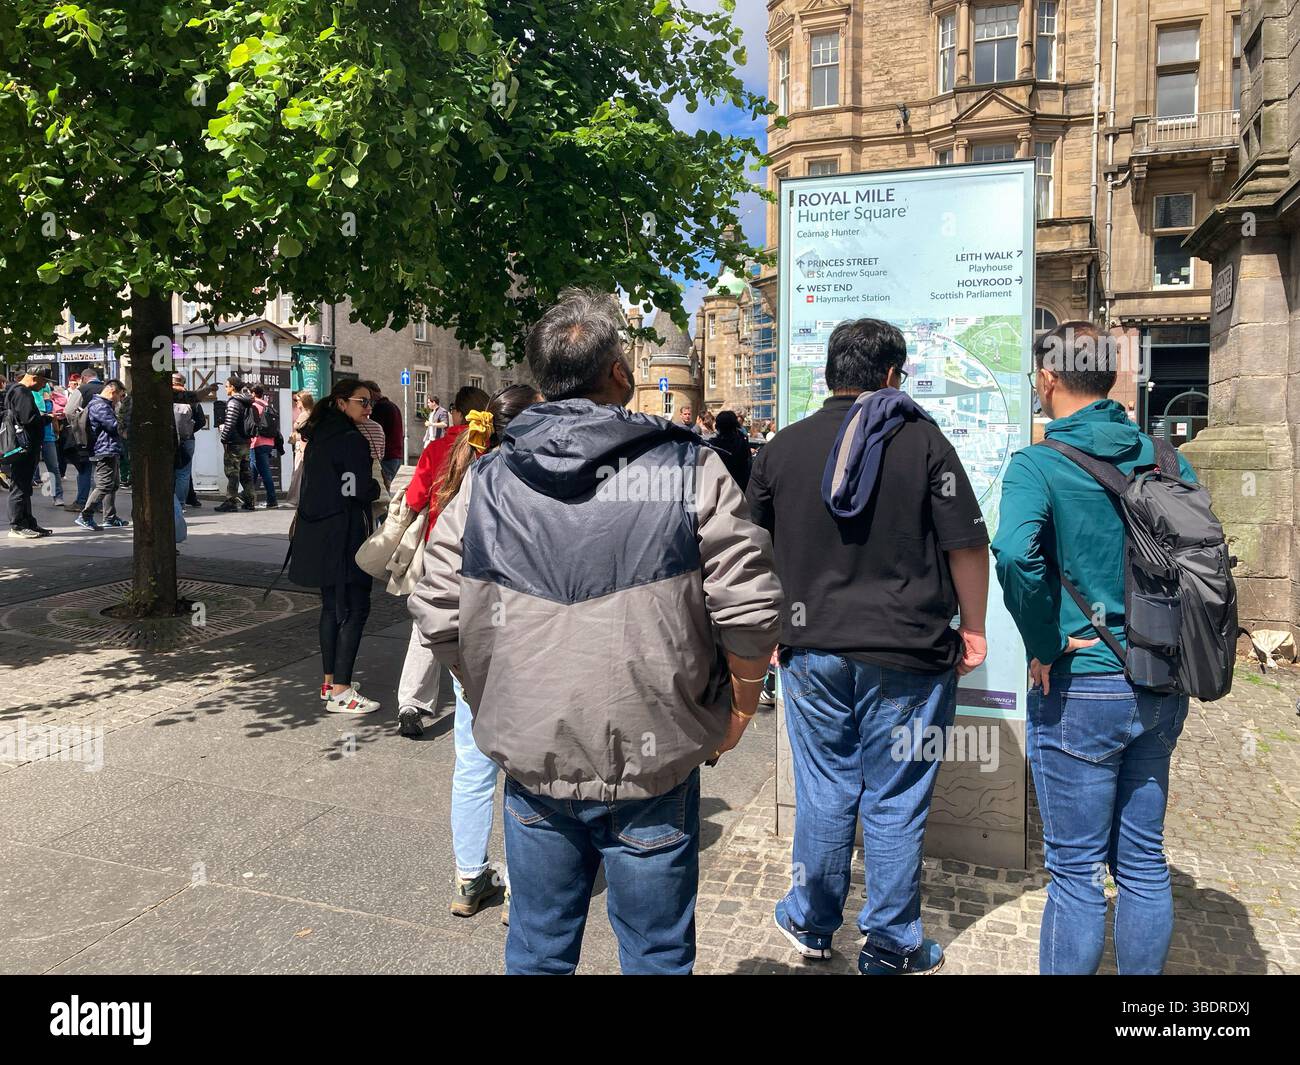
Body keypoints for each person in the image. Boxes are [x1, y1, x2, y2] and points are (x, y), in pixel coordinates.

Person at [410, 288, 782, 975]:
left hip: (536, 756)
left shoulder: (487, 478)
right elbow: (752, 606)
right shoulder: (689, 465)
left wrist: (484, 690)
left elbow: (434, 606)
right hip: (654, 759)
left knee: (539, 951)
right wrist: (740, 703)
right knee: (657, 954)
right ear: (619, 372)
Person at [747, 318, 990, 975]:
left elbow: (750, 550)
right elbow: (966, 544)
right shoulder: (925, 443)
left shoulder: (782, 449)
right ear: (889, 375)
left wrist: (768, 626)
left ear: (831, 372)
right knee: (897, 797)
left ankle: (812, 923)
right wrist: (974, 627)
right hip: (908, 653)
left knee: (825, 789)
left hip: (812, 649)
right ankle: (890, 942)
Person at [991, 322, 1196, 975]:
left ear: (1049, 378)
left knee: (1075, 871)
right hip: (1162, 678)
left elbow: (1014, 553)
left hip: (1084, 681)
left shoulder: (1039, 464)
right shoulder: (1167, 457)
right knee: (1141, 859)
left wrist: (1044, 640)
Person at [403, 385, 541, 919]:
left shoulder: (465, 472)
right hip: (527, 650)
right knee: (530, 770)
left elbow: (433, 591)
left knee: (472, 764)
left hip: (476, 648)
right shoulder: (536, 485)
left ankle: (469, 877)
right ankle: (527, 889)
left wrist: (459, 661)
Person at [396, 384, 490, 739]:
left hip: (440, 547)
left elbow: (416, 496)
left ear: (455, 413)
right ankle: (474, 694)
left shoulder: (437, 448)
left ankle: (412, 702)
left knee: (426, 622)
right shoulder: (491, 451)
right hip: (483, 551)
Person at [290, 380, 382, 713]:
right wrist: (374, 489)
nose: (368, 409)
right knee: (356, 607)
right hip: (344, 533)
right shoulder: (349, 439)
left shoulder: (319, 434)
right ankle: (342, 690)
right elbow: (355, 488)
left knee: (331, 606)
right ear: (342, 402)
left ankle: (330, 682)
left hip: (319, 532)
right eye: (363, 402)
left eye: (371, 403)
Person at [3, 367, 53, 538]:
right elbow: (29, 419)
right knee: (19, 485)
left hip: (22, 445)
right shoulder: (22, 393)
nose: (44, 386)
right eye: (44, 381)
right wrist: (47, 418)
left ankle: (28, 522)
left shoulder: (14, 390)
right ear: (34, 378)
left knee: (24, 486)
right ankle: (16, 525)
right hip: (24, 446)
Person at [74, 379, 129, 531]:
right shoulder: (100, 406)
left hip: (109, 449)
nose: (121, 399)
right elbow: (114, 427)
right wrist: (125, 416)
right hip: (104, 450)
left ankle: (110, 517)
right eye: (121, 395)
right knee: (104, 485)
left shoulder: (103, 405)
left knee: (113, 484)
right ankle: (85, 515)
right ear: (113, 391)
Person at [62, 367, 104, 510]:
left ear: (84, 378)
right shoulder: (107, 388)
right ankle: (99, 503)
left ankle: (81, 502)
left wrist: (76, 424)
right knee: (102, 470)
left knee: (84, 469)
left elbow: (68, 411)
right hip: (104, 436)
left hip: (85, 436)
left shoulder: (82, 389)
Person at [216, 376, 255, 512]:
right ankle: (250, 500)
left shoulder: (233, 402)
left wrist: (224, 439)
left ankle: (231, 502)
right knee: (246, 472)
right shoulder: (247, 401)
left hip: (234, 443)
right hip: (246, 441)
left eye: (227, 386)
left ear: (232, 387)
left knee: (232, 472)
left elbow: (230, 423)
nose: (226, 388)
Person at [248, 384, 281, 510]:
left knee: (264, 472)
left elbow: (251, 424)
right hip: (269, 442)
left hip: (257, 442)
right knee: (253, 471)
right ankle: (248, 497)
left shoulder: (254, 406)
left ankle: (272, 500)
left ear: (253, 393)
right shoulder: (267, 405)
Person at [33, 380, 64, 506]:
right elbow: (53, 417)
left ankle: (57, 495)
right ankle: (57, 496)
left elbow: (52, 417)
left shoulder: (45, 402)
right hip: (44, 436)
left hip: (44, 436)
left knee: (52, 466)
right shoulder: (44, 401)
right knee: (53, 467)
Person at [368, 382, 405, 483]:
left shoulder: (380, 408)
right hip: (396, 455)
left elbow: (374, 432)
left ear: (371, 392)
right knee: (386, 487)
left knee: (381, 490)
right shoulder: (393, 406)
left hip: (387, 456)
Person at [709, 409, 751, 491]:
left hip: (721, 487)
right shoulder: (742, 441)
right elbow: (747, 463)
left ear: (718, 426)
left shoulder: (714, 445)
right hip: (740, 486)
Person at [286, 390, 314, 505]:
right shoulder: (310, 413)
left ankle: (294, 499)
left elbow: (304, 432)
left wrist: (296, 436)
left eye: (297, 400)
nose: (296, 403)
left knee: (298, 473)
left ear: (303, 401)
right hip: (304, 446)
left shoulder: (305, 414)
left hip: (302, 447)